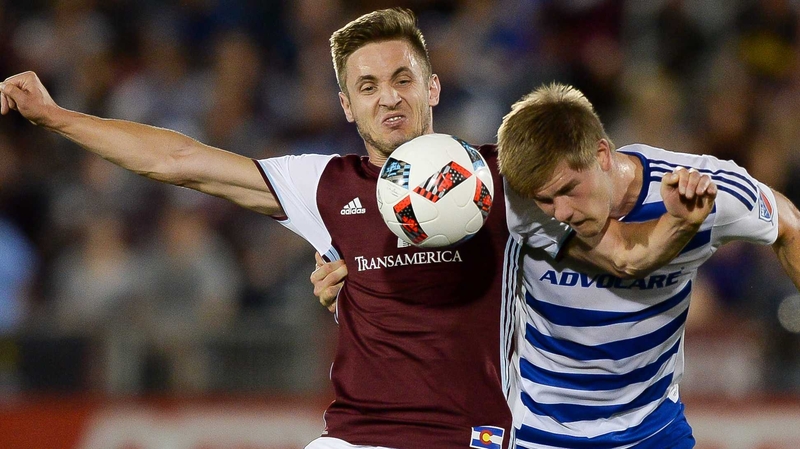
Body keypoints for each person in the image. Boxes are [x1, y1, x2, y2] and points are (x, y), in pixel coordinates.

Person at [1, 8, 716, 449]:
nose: (390, 98)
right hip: (351, 439)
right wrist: (58, 118)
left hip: (470, 438)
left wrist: (678, 228)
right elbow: (182, 161)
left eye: (404, 78)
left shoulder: (506, 179)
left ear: (433, 87)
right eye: (368, 86)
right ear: (346, 104)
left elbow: (621, 254)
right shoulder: (325, 185)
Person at [494, 82, 800, 448]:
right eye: (546, 199)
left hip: (653, 430)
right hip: (542, 431)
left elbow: (788, 223)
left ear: (602, 154)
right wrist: (681, 225)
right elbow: (626, 258)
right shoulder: (522, 202)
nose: (560, 212)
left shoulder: (703, 188)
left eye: (568, 190)